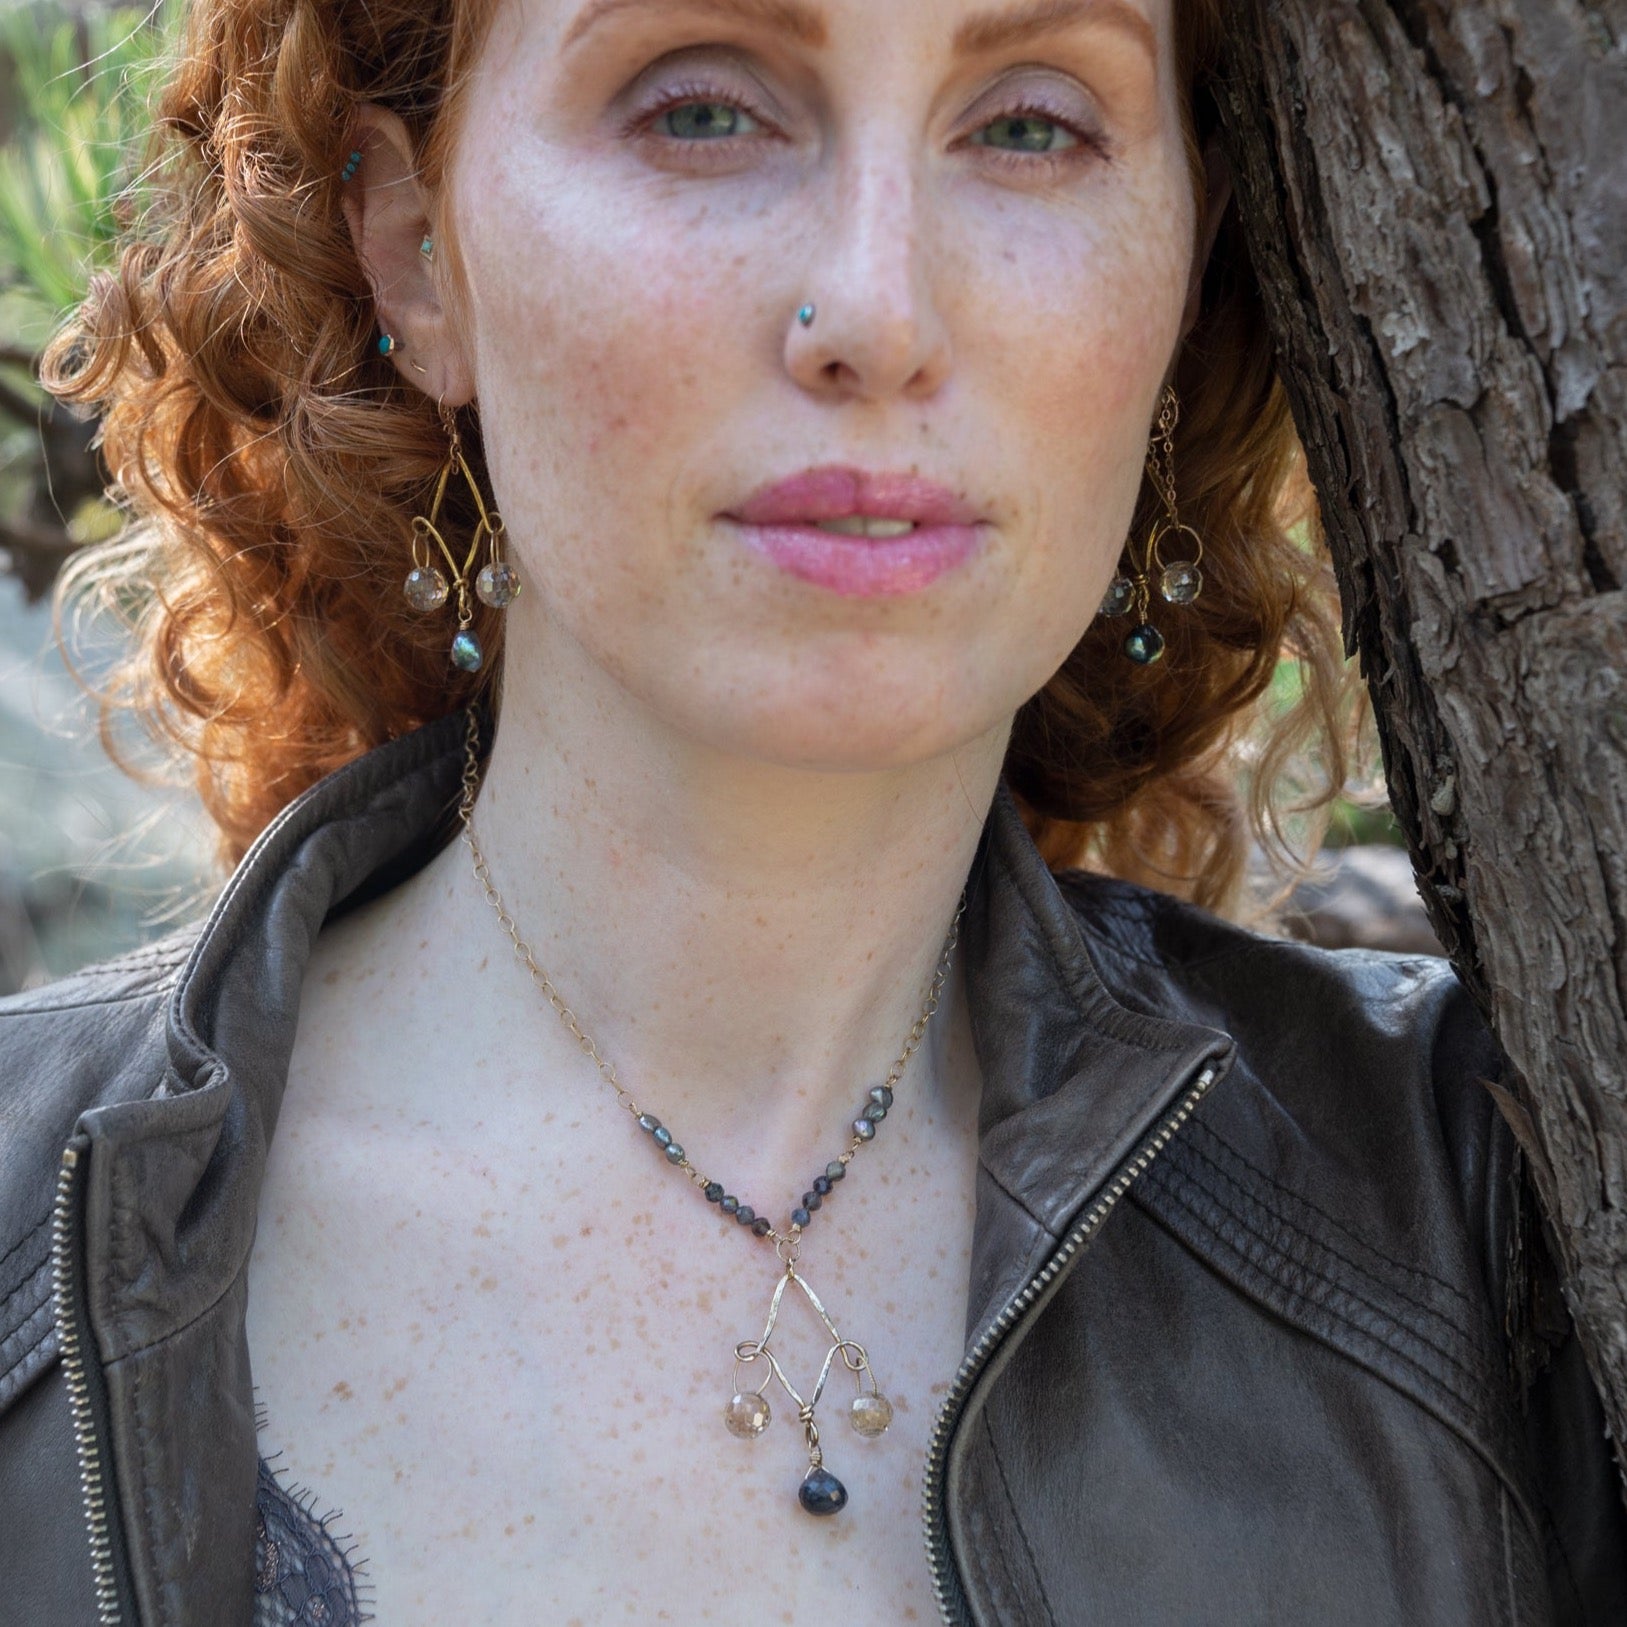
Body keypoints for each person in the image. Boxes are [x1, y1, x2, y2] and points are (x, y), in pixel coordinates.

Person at [1, 0, 1622, 1621]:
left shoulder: (1485, 1217)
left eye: (1033, 123)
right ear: (417, 253)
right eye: (702, 108)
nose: (877, 308)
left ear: (1189, 265)